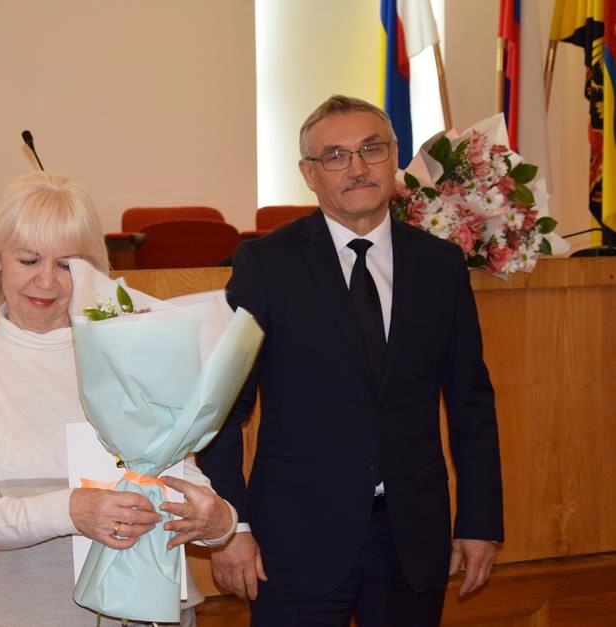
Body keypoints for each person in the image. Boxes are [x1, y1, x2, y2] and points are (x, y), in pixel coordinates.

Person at [198, 95, 504, 626]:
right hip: (293, 544)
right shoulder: (266, 265)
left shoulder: (440, 265)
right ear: (309, 174)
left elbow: (470, 404)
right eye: (335, 156)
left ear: (394, 157)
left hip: (412, 540)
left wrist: (480, 521)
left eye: (371, 149)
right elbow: (222, 409)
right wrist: (231, 527)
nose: (357, 167)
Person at [0, 170, 238, 627]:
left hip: (155, 614)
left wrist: (219, 522)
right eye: (29, 260)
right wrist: (72, 509)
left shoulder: (132, 347)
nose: (46, 282)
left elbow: (185, 479)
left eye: (66, 264)